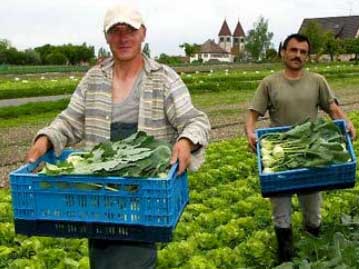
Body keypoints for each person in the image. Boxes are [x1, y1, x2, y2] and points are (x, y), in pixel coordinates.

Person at [26, 4, 210, 269]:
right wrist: (46, 138)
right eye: (115, 31)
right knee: (101, 253)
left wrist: (185, 140)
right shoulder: (93, 79)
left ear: (143, 33)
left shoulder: (164, 78)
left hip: (142, 191)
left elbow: (195, 120)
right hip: (101, 192)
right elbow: (70, 120)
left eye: (130, 30)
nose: (123, 38)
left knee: (135, 256)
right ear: (106, 36)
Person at [245, 33, 356, 263]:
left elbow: (333, 109)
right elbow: (253, 114)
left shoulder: (317, 81)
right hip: (280, 152)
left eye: (303, 52)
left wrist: (347, 122)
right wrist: (250, 132)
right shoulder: (269, 83)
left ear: (308, 56)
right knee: (281, 215)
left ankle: (310, 256)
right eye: (293, 50)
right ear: (283, 52)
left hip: (311, 153)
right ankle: (285, 260)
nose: (298, 55)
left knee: (313, 213)